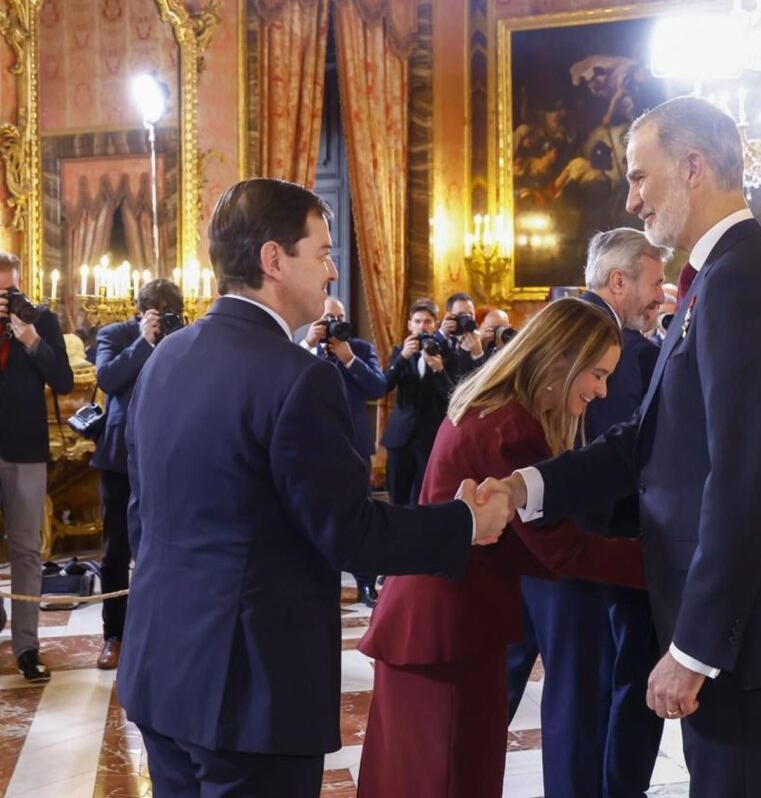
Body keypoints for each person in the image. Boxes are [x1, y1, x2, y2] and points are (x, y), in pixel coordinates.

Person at [487, 96, 761, 796]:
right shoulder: (719, 279)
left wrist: (694, 647)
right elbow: (644, 445)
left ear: (692, 167)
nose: (632, 198)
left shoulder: (744, 280)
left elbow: (748, 481)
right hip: (741, 633)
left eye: (640, 177)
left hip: (747, 637)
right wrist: (527, 486)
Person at [118, 178, 511, 798]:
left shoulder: (165, 358)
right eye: (323, 252)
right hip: (251, 688)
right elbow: (348, 532)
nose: (332, 271)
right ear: (274, 260)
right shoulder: (299, 378)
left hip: (160, 667)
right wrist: (464, 523)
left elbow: (144, 518)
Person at [356, 298, 647, 798]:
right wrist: (666, 562)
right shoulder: (509, 427)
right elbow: (561, 551)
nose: (601, 391)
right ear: (561, 359)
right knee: (444, 782)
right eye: (596, 374)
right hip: (446, 634)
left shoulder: (500, 407)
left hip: (442, 627)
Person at [504, 228, 668, 798]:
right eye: (655, 282)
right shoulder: (616, 347)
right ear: (619, 280)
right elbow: (620, 455)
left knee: (504, 685)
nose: (662, 295)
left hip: (533, 539)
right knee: (584, 696)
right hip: (582, 549)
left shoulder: (555, 324)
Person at [90, 278, 184, 670]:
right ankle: (115, 635)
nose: (164, 319)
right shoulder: (116, 334)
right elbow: (107, 378)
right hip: (119, 457)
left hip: (171, 455)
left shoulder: (183, 338)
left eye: (169, 312)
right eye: (157, 312)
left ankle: (164, 632)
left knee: (167, 545)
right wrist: (144, 343)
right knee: (117, 551)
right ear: (141, 310)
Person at [0, 251, 74, 682]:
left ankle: (27, 647)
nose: (6, 302)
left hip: (25, 448)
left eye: (11, 292)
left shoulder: (40, 321)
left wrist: (30, 339)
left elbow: (63, 381)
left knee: (26, 551)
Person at [302, 295, 388, 606]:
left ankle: (366, 584)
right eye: (328, 318)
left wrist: (349, 358)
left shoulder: (361, 349)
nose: (334, 324)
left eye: (338, 318)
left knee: (360, 515)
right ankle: (317, 584)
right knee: (313, 513)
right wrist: (309, 346)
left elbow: (379, 387)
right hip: (312, 444)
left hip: (353, 443)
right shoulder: (304, 349)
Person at [380, 299, 454, 505]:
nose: (422, 326)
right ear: (410, 325)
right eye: (418, 321)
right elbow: (383, 386)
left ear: (435, 325)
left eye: (428, 321)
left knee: (427, 498)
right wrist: (402, 358)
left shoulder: (447, 354)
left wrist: (439, 370)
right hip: (400, 437)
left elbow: (454, 398)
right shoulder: (399, 352)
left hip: (430, 439)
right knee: (397, 498)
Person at [436, 291, 486, 380]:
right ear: (449, 315)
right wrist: (442, 334)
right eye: (461, 314)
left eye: (470, 314)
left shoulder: (482, 339)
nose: (467, 318)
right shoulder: (441, 338)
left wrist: (478, 354)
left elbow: (485, 378)